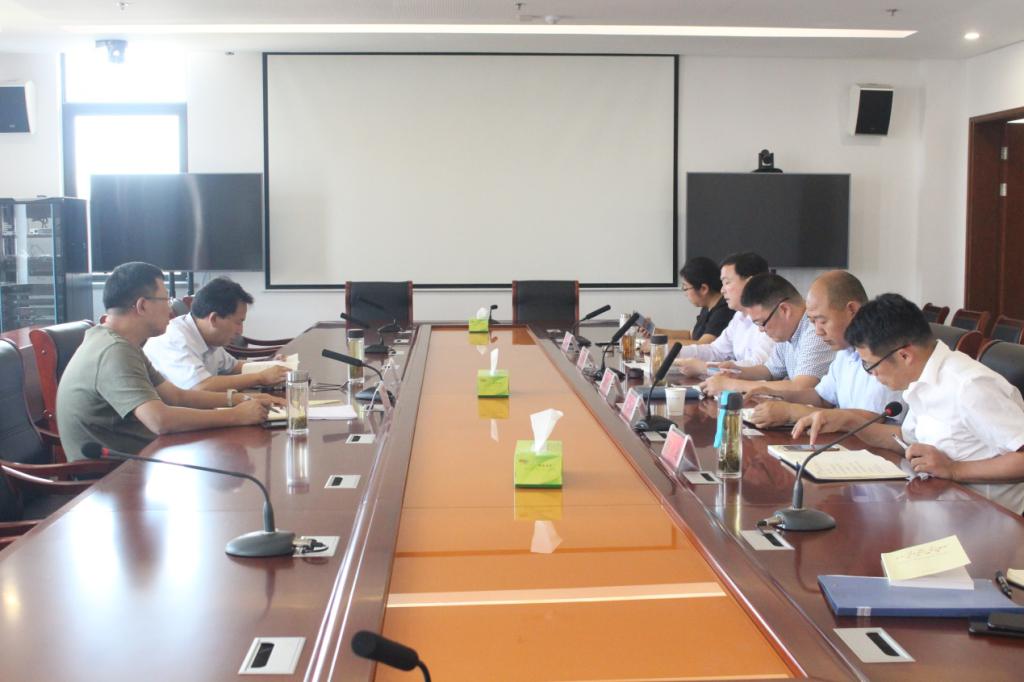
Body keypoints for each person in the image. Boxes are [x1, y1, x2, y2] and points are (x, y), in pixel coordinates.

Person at [793, 294, 1024, 513]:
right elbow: (908, 439)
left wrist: (955, 470)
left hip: (990, 520)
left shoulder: (969, 386)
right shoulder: (922, 379)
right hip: (939, 505)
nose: (871, 374)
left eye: (870, 365)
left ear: (904, 355)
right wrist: (848, 422)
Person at [56, 262, 281, 461]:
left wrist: (244, 399)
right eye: (165, 299)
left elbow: (176, 396)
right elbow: (160, 420)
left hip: (147, 455)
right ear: (142, 305)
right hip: (114, 475)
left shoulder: (123, 344)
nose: (171, 308)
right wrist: (236, 415)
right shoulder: (114, 351)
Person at [746, 270, 904, 428]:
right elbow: (822, 398)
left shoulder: (884, 348)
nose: (818, 331)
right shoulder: (845, 350)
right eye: (812, 322)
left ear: (852, 310)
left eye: (822, 321)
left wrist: (791, 411)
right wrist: (776, 395)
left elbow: (871, 418)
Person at [700, 273, 834, 396]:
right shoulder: (788, 333)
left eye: (762, 323)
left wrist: (732, 385)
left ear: (784, 310)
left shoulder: (815, 330)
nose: (761, 330)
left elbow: (801, 387)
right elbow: (770, 371)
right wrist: (737, 371)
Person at [145, 276, 289, 391]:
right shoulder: (175, 339)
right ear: (214, 319)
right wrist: (260, 377)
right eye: (238, 322)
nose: (240, 331)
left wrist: (270, 365)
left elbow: (234, 367)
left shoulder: (207, 337)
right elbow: (201, 387)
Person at [673, 252, 775, 376]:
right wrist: (673, 353)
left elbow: (758, 367)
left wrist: (704, 368)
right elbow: (716, 351)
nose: (722, 290)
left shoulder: (773, 318)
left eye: (727, 283)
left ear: (750, 283)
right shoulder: (739, 316)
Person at [646, 257, 734, 345]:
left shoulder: (724, 311)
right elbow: (690, 335)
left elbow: (702, 346)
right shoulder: (707, 306)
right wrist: (654, 331)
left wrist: (656, 343)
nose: (685, 294)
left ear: (703, 289)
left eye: (686, 288)